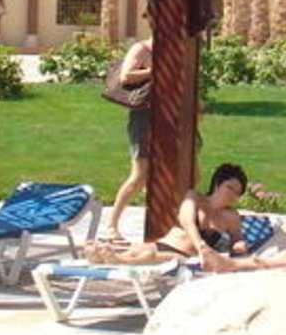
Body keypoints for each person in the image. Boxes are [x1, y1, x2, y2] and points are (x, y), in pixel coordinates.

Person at [79, 162, 258, 270]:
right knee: (136, 251)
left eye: (238, 193)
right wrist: (202, 245)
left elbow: (237, 240)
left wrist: (238, 245)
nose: (233, 195)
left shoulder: (231, 216)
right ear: (218, 183)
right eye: (230, 187)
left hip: (186, 257)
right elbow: (187, 221)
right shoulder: (194, 197)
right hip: (164, 244)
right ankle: (104, 257)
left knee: (148, 257)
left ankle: (116, 261)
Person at [101, 37, 153, 239]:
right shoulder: (142, 49)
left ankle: (161, 223)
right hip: (144, 118)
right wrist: (153, 71)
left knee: (165, 174)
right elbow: (126, 76)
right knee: (140, 175)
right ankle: (111, 225)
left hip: (167, 119)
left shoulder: (174, 50)